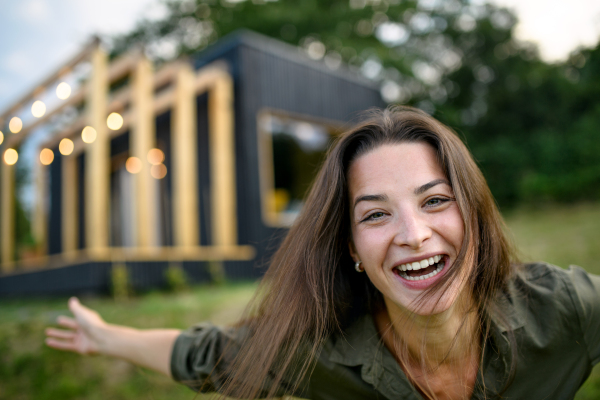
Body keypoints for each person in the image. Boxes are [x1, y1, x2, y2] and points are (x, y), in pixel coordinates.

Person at [46, 106, 600, 400]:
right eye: (376, 214)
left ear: (474, 218)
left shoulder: (566, 308)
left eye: (435, 201)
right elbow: (210, 355)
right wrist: (104, 337)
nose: (413, 233)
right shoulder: (320, 353)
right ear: (352, 248)